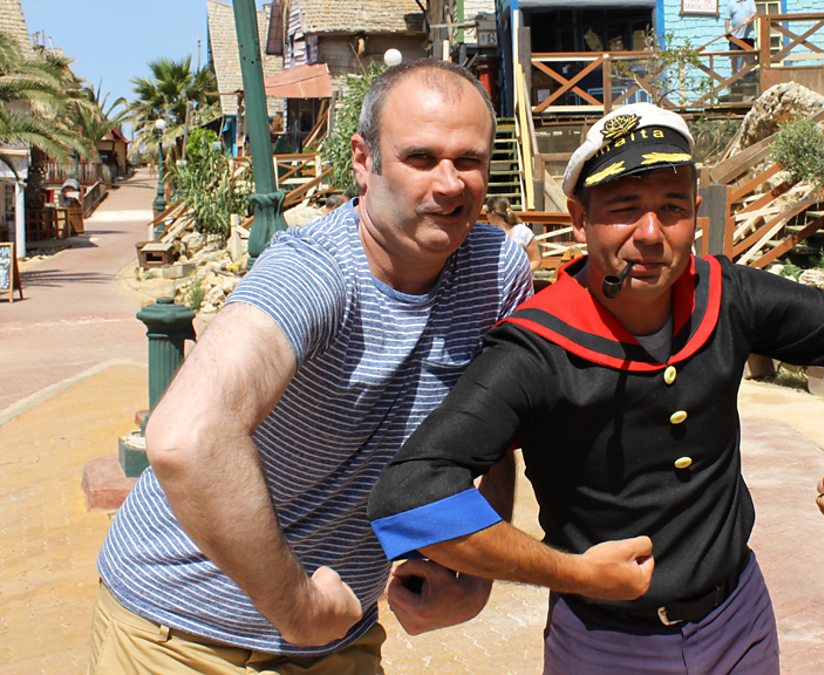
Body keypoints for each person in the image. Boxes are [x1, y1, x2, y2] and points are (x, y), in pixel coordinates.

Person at [367, 101, 824, 672]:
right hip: (603, 646)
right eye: (624, 209)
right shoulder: (536, 348)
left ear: (694, 213)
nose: (650, 234)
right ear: (579, 218)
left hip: (739, 623)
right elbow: (410, 493)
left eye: (671, 208)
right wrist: (571, 572)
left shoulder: (725, 296)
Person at [88, 59, 535, 673]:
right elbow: (186, 437)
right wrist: (296, 608)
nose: (450, 183)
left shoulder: (495, 272)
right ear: (364, 161)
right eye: (421, 158)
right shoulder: (316, 272)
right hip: (180, 635)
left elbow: (494, 438)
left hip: (338, 637)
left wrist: (474, 576)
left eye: (469, 160)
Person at [486, 195, 541, 272]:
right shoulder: (488, 235)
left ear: (493, 213)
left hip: (521, 278)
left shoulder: (523, 232)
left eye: (486, 212)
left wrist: (520, 273)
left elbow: (535, 261)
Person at [726, 0, 758, 73]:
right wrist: (727, 32)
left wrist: (748, 20)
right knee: (733, 56)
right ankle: (735, 75)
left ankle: (742, 75)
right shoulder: (731, 3)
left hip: (748, 35)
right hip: (735, 36)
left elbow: (754, 13)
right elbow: (727, 19)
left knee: (746, 56)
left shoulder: (750, 1)